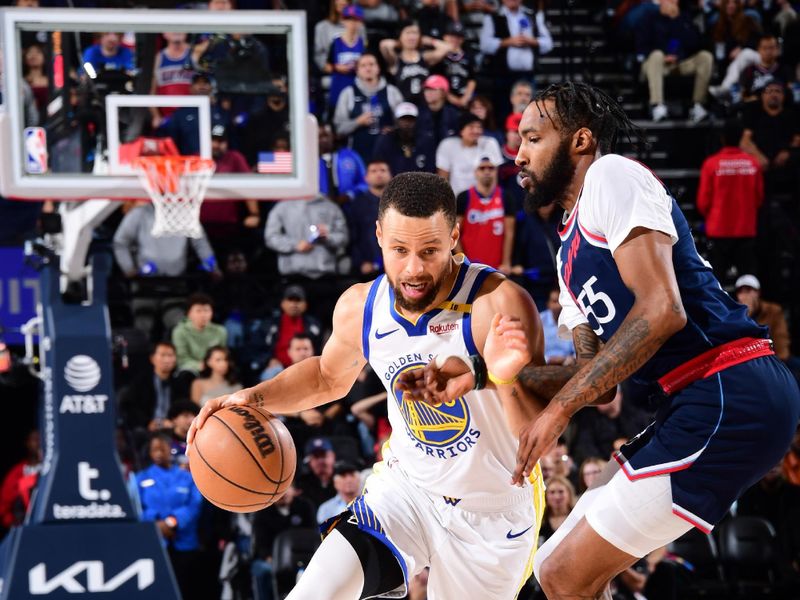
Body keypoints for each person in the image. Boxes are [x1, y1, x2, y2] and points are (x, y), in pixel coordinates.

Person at [403, 81, 800, 599]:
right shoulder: (568, 253)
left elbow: (663, 311)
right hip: (694, 401)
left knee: (567, 576)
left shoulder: (612, 176)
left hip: (729, 384)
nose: (518, 154)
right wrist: (483, 372)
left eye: (532, 139)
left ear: (581, 141)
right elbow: (599, 381)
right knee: (548, 575)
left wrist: (558, 410)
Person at [188, 171, 550, 600]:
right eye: (399, 250)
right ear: (378, 235)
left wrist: (503, 377)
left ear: (455, 235)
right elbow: (326, 376)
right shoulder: (362, 305)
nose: (413, 268)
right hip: (406, 491)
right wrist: (253, 397)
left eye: (430, 250)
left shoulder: (499, 302)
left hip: (492, 510)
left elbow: (537, 430)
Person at [112, 202, 220, 338]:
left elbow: (200, 243)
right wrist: (128, 268)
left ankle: (177, 357)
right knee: (142, 324)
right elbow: (120, 242)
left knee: (178, 324)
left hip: (175, 281)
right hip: (145, 282)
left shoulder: (185, 215)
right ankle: (141, 358)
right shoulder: (139, 213)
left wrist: (213, 267)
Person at [263, 194, 350, 328]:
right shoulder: (282, 206)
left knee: (328, 326)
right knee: (293, 326)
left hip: (324, 278)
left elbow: (343, 238)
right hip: (293, 277)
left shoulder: (330, 207)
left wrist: (328, 237)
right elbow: (270, 237)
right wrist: (294, 245)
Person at [136, 433, 203, 600]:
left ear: (170, 450)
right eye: (154, 450)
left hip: (185, 542)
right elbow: (136, 507)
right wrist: (156, 523)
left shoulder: (188, 477)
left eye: (162, 449)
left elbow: (194, 505)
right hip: (154, 541)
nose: (158, 453)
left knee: (187, 589)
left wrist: (172, 521)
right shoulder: (141, 478)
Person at [697, 120, 763, 286]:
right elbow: (759, 197)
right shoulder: (753, 163)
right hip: (746, 230)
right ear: (741, 138)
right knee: (749, 284)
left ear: (722, 139)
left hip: (718, 231)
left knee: (716, 284)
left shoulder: (711, 164)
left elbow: (703, 201)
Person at [636, 0, 713, 123]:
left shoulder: (684, 18)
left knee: (705, 57)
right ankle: (657, 105)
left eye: (675, 1)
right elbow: (641, 47)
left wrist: (676, 19)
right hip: (653, 64)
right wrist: (663, 56)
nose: (673, 3)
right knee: (657, 55)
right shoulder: (649, 18)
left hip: (678, 63)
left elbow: (695, 43)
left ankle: (698, 105)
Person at [479, 0, 553, 120]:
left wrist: (532, 41)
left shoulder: (532, 15)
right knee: (503, 110)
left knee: (530, 111)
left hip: (527, 75)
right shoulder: (494, 16)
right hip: (503, 75)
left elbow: (548, 44)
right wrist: (508, 42)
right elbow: (484, 45)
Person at [333, 53, 403, 162]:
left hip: (388, 156)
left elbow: (404, 124)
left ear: (378, 68)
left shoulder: (392, 92)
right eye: (363, 65)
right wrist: (358, 122)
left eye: (371, 64)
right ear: (357, 71)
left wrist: (394, 130)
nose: (368, 68)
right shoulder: (348, 93)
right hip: (357, 156)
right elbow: (339, 129)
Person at [454, 156, 516, 271]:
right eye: (482, 168)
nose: (487, 171)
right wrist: (462, 262)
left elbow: (509, 233)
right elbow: (454, 233)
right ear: (475, 172)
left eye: (491, 168)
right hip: (470, 267)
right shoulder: (464, 197)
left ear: (496, 171)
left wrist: (506, 262)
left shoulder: (506, 197)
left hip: (497, 268)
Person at [118, 341, 192, 437]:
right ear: (152, 359)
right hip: (146, 429)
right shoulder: (140, 382)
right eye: (162, 355)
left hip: (172, 427)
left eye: (170, 355)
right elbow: (131, 408)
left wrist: (173, 422)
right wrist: (148, 423)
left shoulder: (180, 383)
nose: (167, 360)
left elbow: (184, 407)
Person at [740, 78, 800, 195]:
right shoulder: (753, 113)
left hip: (785, 158)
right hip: (760, 158)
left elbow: (797, 139)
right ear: (762, 96)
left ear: (783, 96)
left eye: (778, 91)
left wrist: (787, 152)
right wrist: (758, 156)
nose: (773, 94)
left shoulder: (793, 114)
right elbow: (745, 141)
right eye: (769, 91)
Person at [378, 20, 449, 106]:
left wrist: (428, 41)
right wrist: (399, 42)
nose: (412, 37)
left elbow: (446, 48)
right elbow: (384, 45)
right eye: (408, 33)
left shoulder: (425, 57)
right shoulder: (396, 59)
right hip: (404, 107)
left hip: (425, 106)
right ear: (400, 35)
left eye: (415, 33)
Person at [436, 113, 503, 195]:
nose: (476, 131)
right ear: (461, 130)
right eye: (471, 127)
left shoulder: (490, 143)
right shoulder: (448, 145)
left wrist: (490, 201)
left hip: (483, 201)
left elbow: (494, 176)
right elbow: (443, 179)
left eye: (479, 127)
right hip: (456, 199)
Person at [346, 159, 391, 279]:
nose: (379, 174)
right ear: (366, 177)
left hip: (395, 264)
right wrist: (360, 262)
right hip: (367, 268)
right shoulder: (356, 204)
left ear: (390, 175)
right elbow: (353, 237)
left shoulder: (399, 204)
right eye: (374, 171)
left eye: (383, 170)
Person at [735, 274, 791, 362]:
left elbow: (780, 337)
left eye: (748, 290)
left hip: (773, 358)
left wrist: (781, 360)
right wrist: (745, 314)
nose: (744, 295)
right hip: (748, 361)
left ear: (758, 292)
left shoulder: (773, 310)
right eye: (740, 292)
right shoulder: (734, 314)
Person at [372, 102, 436, 175]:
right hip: (392, 184)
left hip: (420, 184)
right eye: (403, 119)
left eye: (410, 119)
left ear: (416, 121)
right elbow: (378, 167)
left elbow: (431, 170)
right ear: (396, 121)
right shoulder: (386, 140)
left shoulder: (425, 141)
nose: (407, 123)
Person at [171, 293, 228, 374]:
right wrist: (202, 366)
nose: (203, 315)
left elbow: (223, 355)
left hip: (215, 370)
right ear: (189, 314)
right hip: (190, 371)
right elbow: (182, 359)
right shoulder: (180, 331)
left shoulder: (220, 331)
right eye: (198, 311)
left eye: (206, 310)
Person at [325, 4, 367, 114]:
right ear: (343, 21)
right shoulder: (336, 42)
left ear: (360, 22)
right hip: (339, 85)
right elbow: (326, 66)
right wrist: (336, 67)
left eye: (356, 20)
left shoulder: (363, 43)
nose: (352, 23)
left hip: (357, 86)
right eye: (349, 19)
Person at [149, 32, 195, 128]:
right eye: (172, 28)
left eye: (180, 27)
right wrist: (156, 115)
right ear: (164, 34)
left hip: (192, 114)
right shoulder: (158, 57)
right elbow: (152, 91)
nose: (176, 31)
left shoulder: (195, 53)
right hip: (168, 116)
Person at [437, 20, 476, 109]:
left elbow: (472, 79)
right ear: (444, 36)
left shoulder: (468, 56)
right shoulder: (439, 56)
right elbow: (437, 79)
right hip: (444, 100)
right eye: (451, 36)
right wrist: (451, 98)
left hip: (465, 98)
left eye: (458, 37)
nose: (455, 39)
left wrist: (465, 98)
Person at [416, 74, 462, 149]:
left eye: (433, 89)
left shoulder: (454, 115)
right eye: (426, 89)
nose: (428, 92)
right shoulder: (418, 113)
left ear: (443, 93)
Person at [540, 287, 575, 365]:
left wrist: (571, 359)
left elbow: (578, 350)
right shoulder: (539, 321)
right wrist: (548, 359)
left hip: (568, 365)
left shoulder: (573, 320)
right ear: (548, 303)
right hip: (544, 365)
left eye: (561, 301)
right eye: (555, 302)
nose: (559, 305)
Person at [539, 476, 577, 542]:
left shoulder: (578, 519)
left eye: (561, 491)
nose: (557, 497)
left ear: (569, 494)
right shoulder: (539, 522)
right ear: (545, 496)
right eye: (552, 492)